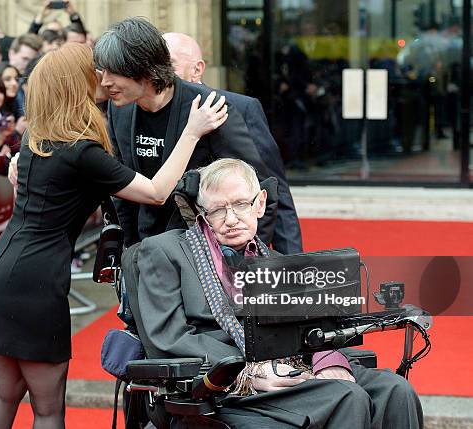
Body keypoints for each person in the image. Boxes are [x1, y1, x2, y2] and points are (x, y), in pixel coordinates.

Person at [0, 42, 227, 429]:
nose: (103, 78)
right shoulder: (81, 152)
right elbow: (157, 192)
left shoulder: (36, 137)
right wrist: (190, 133)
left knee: (4, 394)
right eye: (94, 71)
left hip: (1, 269)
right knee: (47, 408)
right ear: (76, 84)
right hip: (34, 283)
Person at [135, 158, 423, 429]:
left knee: (395, 390)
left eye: (240, 204)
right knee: (347, 396)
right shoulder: (166, 251)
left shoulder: (275, 261)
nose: (231, 218)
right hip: (223, 385)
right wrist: (246, 369)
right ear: (202, 213)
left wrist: (329, 361)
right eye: (218, 210)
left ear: (260, 204)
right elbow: (167, 338)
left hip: (287, 367)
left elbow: (309, 326)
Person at [93, 17, 276, 249]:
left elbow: (260, 188)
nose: (105, 82)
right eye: (102, 72)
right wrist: (129, 252)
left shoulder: (208, 107)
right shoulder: (120, 109)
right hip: (147, 251)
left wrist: (239, 259)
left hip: (203, 256)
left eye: (114, 72)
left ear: (145, 67)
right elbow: (124, 195)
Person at [163, 32, 302, 254]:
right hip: (169, 248)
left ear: (197, 69)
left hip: (234, 251)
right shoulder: (148, 111)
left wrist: (290, 264)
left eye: (169, 64)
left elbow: (274, 188)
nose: (160, 73)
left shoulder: (240, 107)